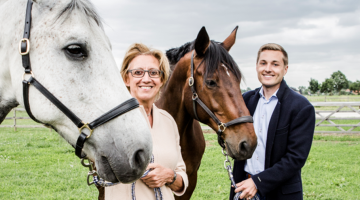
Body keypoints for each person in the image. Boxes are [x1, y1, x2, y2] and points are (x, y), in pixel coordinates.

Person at [229, 43, 315, 200]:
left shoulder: (301, 107)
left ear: (285, 69)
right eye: (263, 63)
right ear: (256, 67)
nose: (268, 69)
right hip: (244, 189)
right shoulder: (245, 100)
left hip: (280, 193)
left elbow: (295, 158)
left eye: (275, 64)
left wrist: (257, 182)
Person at [105, 43, 188, 199]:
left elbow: (182, 176)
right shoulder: (112, 119)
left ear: (162, 79)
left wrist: (170, 176)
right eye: (137, 72)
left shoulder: (168, 120)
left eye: (153, 73)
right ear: (126, 79)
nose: (146, 78)